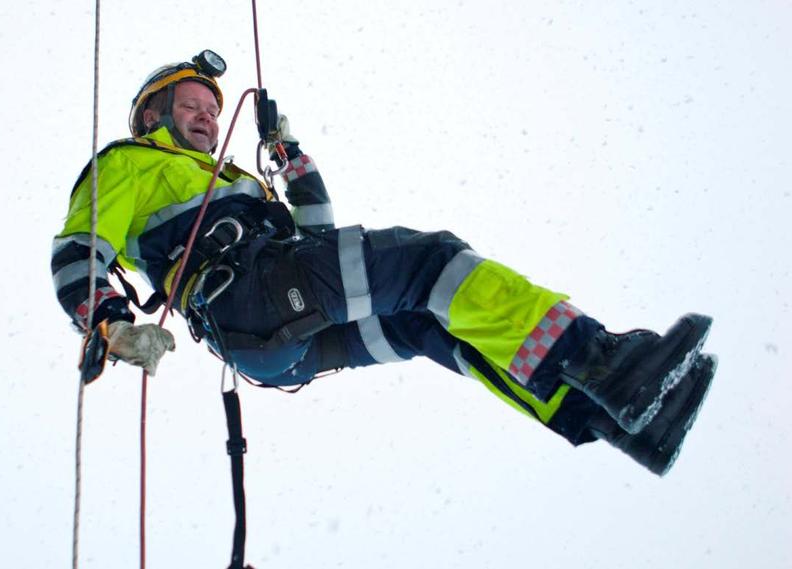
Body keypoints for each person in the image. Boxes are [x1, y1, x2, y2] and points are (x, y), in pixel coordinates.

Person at [51, 50, 718, 476]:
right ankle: (605, 361)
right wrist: (109, 324)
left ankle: (598, 408)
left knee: (429, 321)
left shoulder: (236, 181)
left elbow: (320, 236)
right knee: (431, 264)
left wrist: (291, 161)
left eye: (211, 108)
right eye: (192, 105)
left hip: (276, 343)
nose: (206, 116)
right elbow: (75, 252)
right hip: (246, 297)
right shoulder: (128, 164)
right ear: (152, 115)